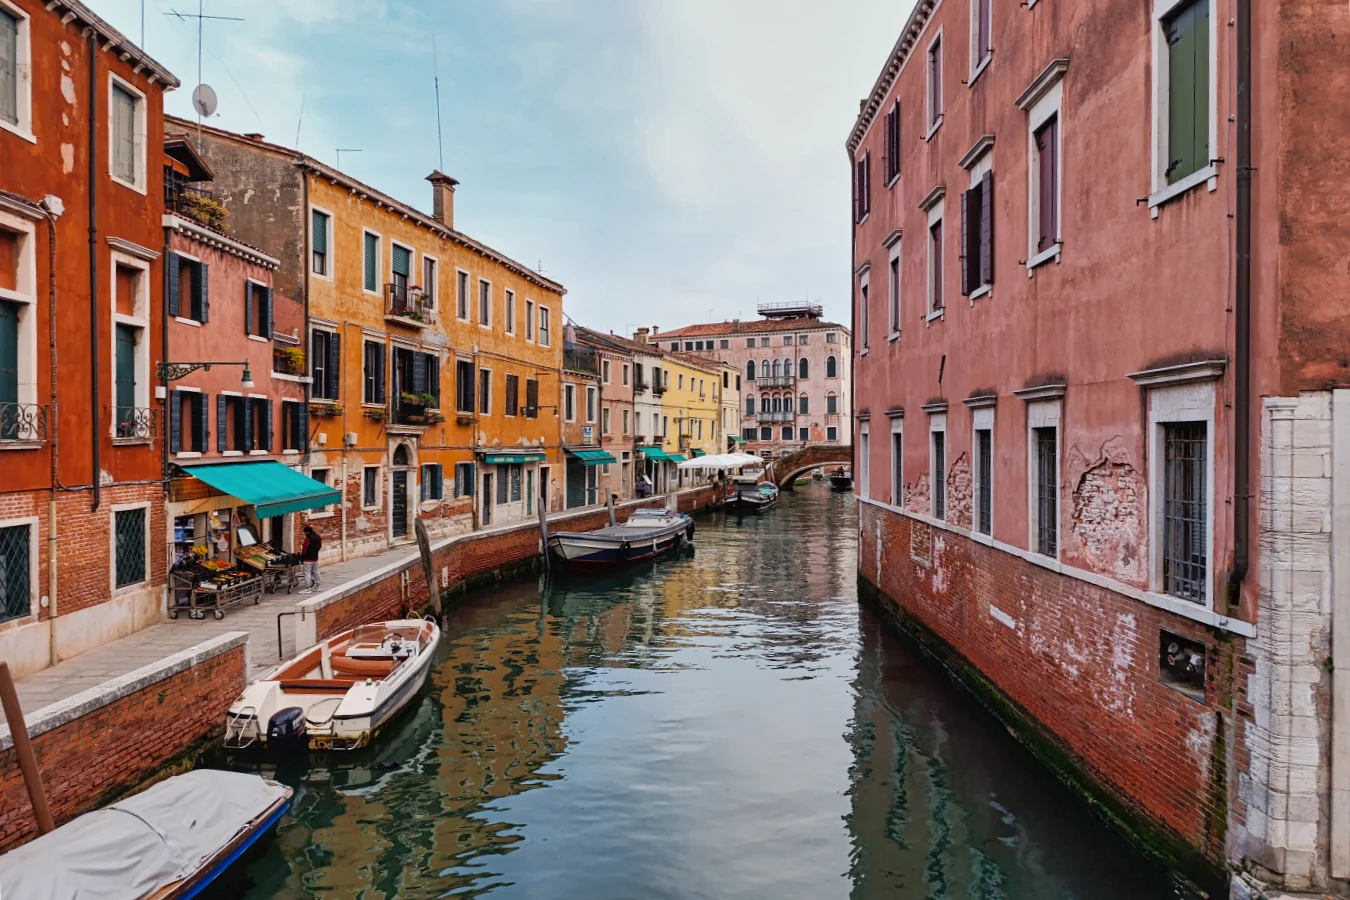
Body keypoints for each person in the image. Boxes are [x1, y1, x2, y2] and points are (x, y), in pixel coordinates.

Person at [300, 525, 322, 593]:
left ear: (307, 532)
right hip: (315, 558)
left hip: (307, 559)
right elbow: (320, 546)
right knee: (316, 572)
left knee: (307, 573)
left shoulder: (308, 538)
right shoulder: (318, 537)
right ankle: (318, 587)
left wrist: (302, 555)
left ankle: (308, 588)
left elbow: (304, 548)